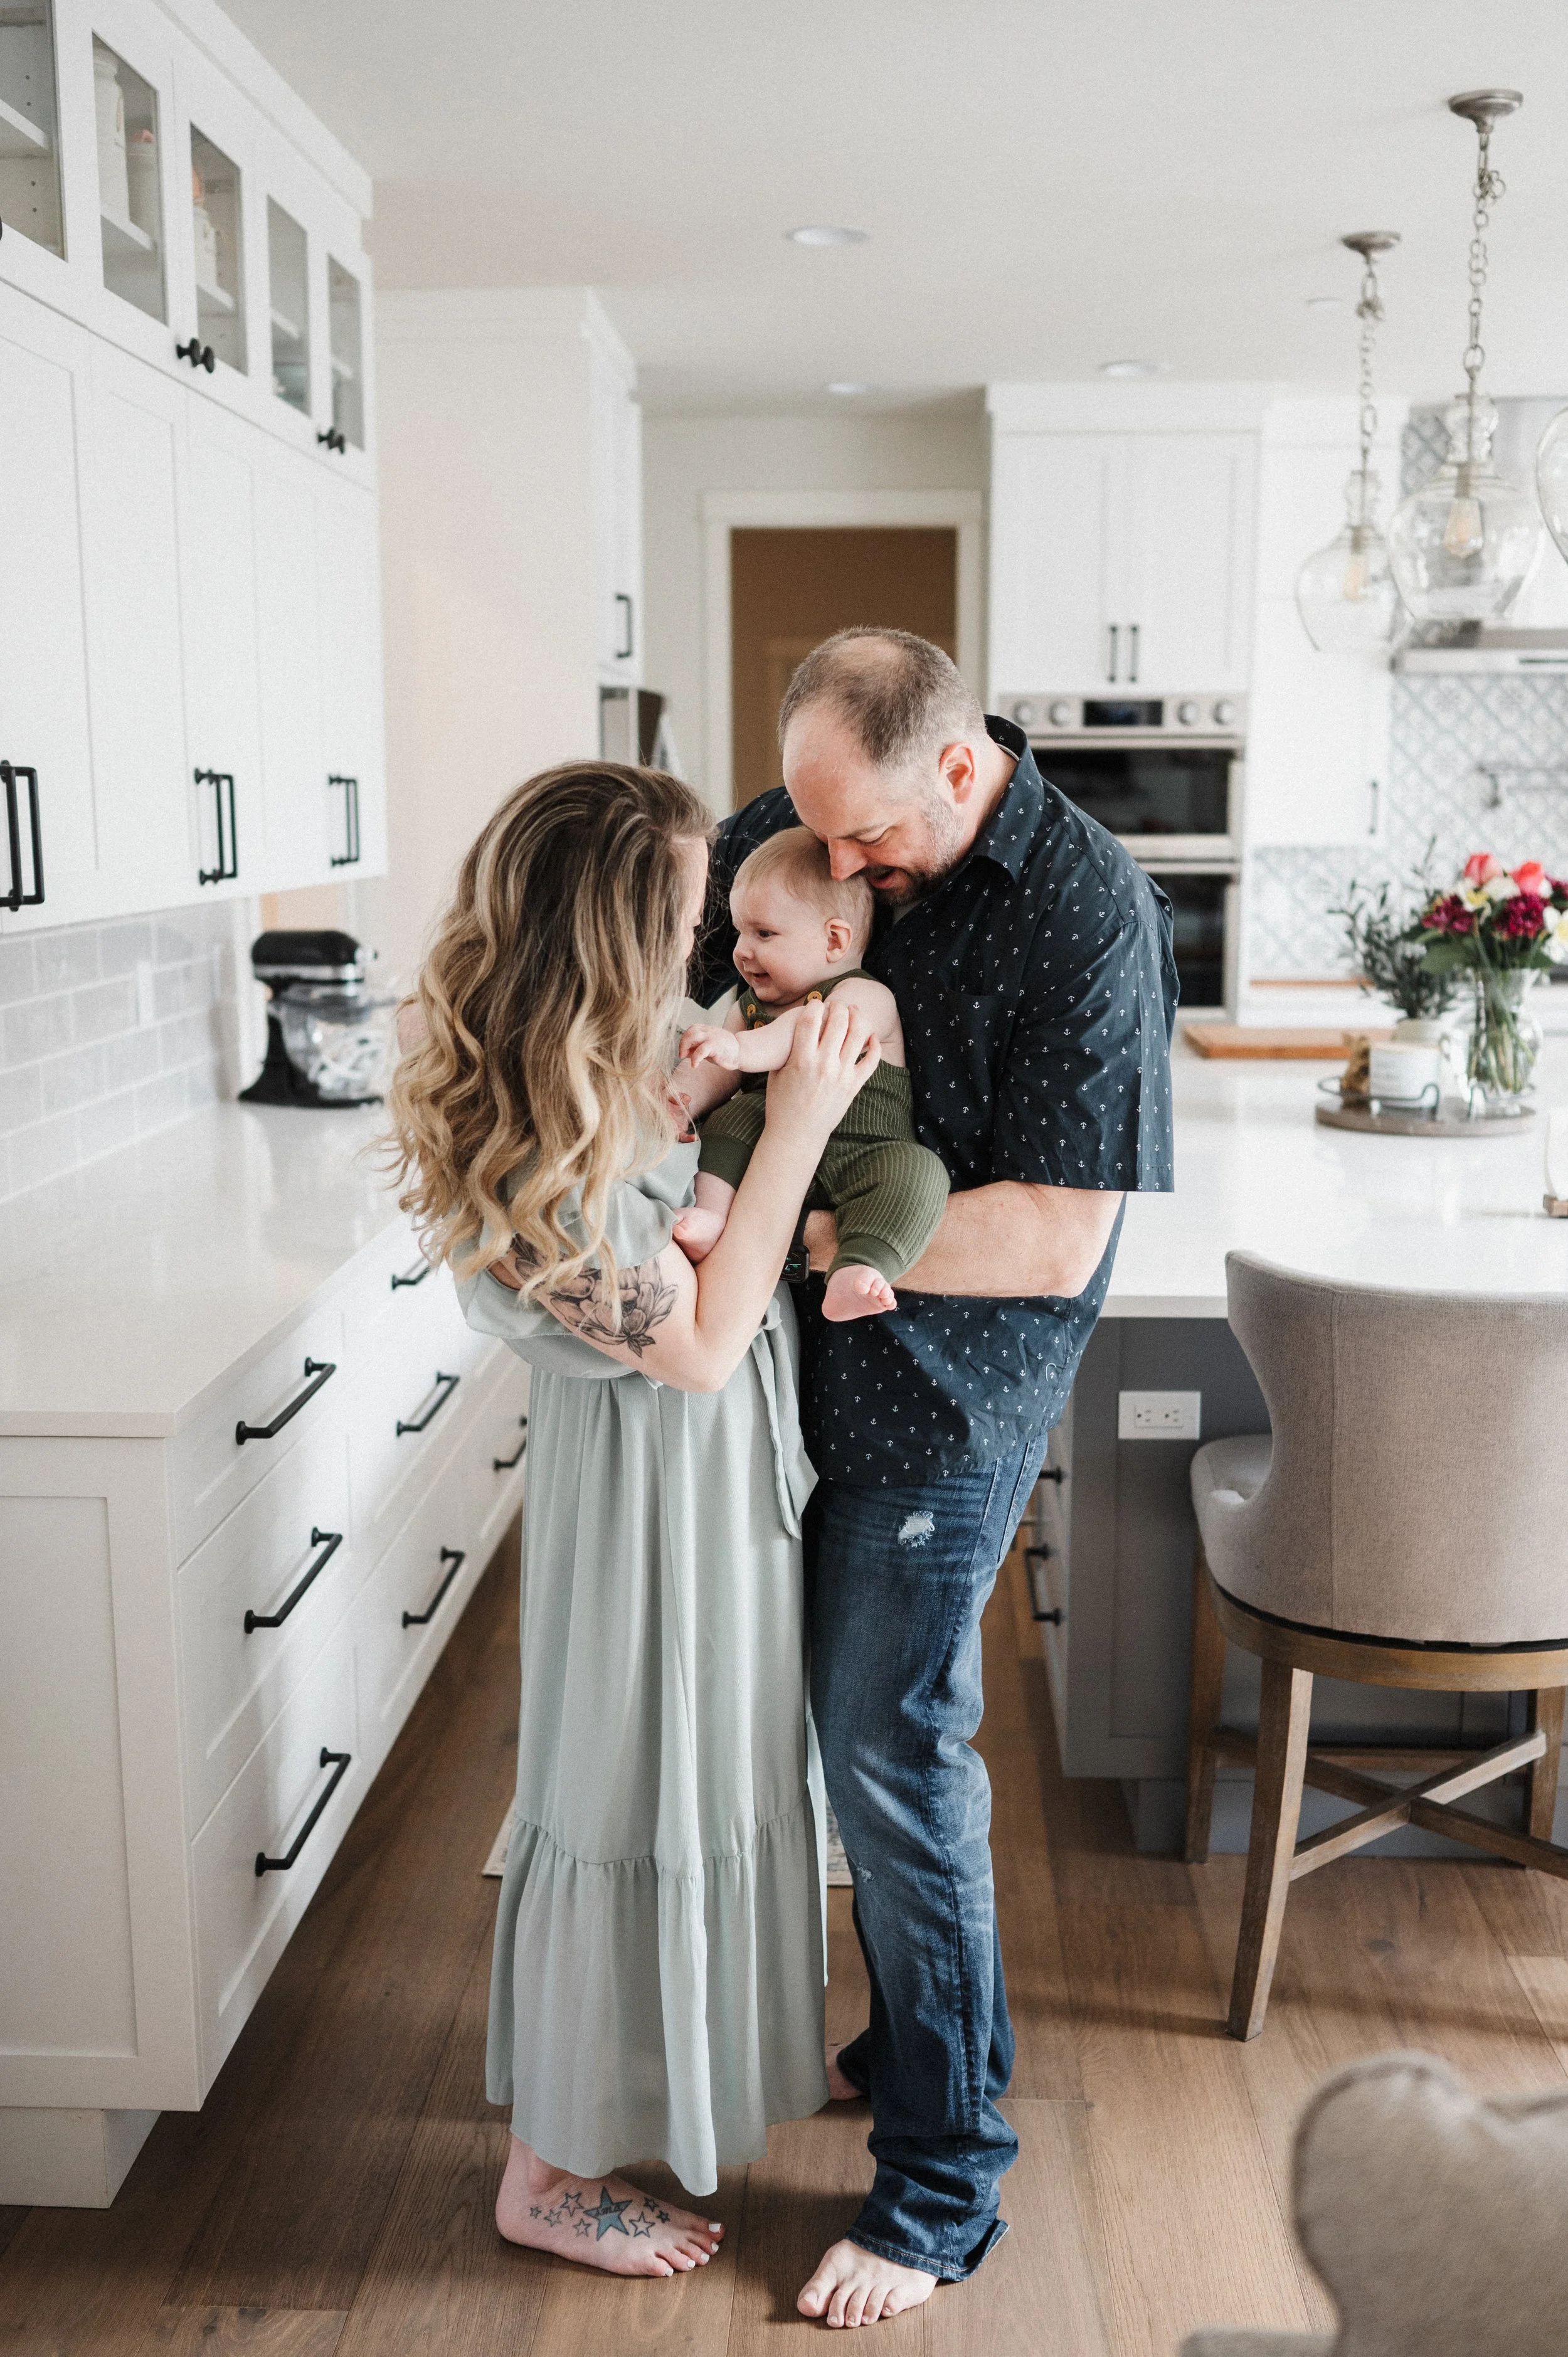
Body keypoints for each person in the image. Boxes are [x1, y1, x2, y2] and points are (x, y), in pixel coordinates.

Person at [693, 627, 1177, 2330]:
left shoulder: (1087, 914)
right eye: (813, 837)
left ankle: (941, 2180)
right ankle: (911, 2036)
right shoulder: (810, 813)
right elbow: (703, 1016)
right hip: (772, 1380)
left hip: (941, 1403)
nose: (834, 872)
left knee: (890, 1754)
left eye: (867, 842)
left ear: (960, 768)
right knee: (826, 1744)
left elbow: (1047, 1240)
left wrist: (792, 1232)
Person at [386, 761, 882, 2282]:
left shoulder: (646, 1040)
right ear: (605, 931)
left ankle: (663, 2082)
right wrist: (799, 1112)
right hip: (644, 1502)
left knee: (714, 1773)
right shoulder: (546, 1137)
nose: (699, 942)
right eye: (676, 910)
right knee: (615, 1788)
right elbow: (701, 1342)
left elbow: (730, 1066)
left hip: (723, 1484)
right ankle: (544, 2172)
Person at [674, 824, 949, 1322]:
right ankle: (712, 1217)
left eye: (763, 934)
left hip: (865, 1152)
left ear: (834, 939)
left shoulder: (866, 996)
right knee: (725, 1126)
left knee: (920, 1175)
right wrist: (681, 1096)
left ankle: (860, 1268)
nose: (742, 951)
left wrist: (738, 1047)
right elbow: (718, 1073)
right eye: (740, 932)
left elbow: (811, 1029)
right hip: (771, 1149)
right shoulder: (751, 1005)